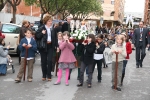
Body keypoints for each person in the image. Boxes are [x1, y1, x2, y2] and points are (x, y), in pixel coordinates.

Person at [36, 14, 58, 81]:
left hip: (50, 46)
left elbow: (55, 38)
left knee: (50, 61)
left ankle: (49, 75)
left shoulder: (53, 29)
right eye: (49, 21)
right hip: (43, 46)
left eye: (51, 21)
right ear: (46, 21)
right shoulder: (41, 28)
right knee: (44, 61)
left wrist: (56, 46)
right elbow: (37, 36)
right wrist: (42, 33)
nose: (50, 22)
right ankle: (44, 75)